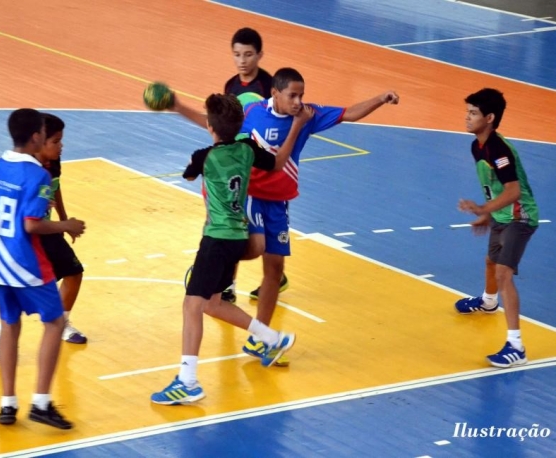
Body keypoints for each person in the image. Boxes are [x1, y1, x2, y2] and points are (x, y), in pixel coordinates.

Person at [150, 94, 311, 405]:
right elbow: (278, 163)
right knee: (211, 304)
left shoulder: (203, 156)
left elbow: (188, 174)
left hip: (216, 239)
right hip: (239, 236)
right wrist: (294, 129)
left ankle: (188, 381)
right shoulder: (248, 149)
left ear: (210, 126)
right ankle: (273, 338)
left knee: (192, 306)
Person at [238, 67, 399, 365]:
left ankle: (260, 339)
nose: (299, 101)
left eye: (302, 95)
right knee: (248, 248)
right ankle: (211, 265)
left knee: (274, 270)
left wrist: (380, 98)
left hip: (279, 203)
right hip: (252, 197)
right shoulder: (252, 111)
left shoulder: (308, 116)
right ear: (275, 93)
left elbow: (348, 113)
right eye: (293, 95)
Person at [0, 108, 85, 428]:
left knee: (10, 325)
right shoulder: (38, 175)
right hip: (23, 262)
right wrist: (66, 224)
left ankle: (8, 404)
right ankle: (41, 402)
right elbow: (31, 225)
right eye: (45, 131)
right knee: (55, 324)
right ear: (36, 137)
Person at [455, 88, 538, 368]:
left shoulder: (499, 149)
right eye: (467, 111)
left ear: (489, 117)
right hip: (501, 215)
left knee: (504, 273)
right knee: (491, 261)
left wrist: (483, 209)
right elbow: (495, 187)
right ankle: (489, 302)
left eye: (473, 113)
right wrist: (488, 216)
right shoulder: (477, 145)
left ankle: (516, 347)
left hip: (520, 216)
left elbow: (514, 192)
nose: (467, 117)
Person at [221, 27, 288, 304]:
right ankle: (228, 284)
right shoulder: (230, 85)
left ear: (259, 55)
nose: (242, 61)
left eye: (248, 55)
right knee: (234, 221)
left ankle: (275, 277)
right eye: (237, 54)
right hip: (240, 164)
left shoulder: (269, 86)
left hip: (264, 166)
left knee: (262, 227)